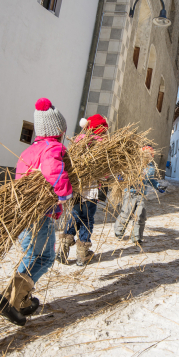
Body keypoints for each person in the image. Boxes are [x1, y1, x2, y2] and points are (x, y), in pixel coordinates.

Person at [0, 97, 72, 327]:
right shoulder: (52, 148)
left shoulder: (30, 151)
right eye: (63, 130)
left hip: (26, 213)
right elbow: (53, 172)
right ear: (58, 130)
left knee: (37, 256)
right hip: (39, 215)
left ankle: (21, 300)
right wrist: (64, 194)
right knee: (42, 258)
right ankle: (11, 300)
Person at [58, 114, 109, 266]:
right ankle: (82, 254)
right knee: (87, 220)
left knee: (74, 217)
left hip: (76, 189)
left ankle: (63, 250)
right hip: (91, 191)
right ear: (100, 129)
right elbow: (105, 172)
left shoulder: (79, 141)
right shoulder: (102, 146)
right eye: (104, 130)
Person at [114, 146, 165, 245]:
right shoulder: (133, 164)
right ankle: (119, 232)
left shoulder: (151, 168)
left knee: (140, 215)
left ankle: (136, 236)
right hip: (130, 192)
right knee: (126, 212)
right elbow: (124, 173)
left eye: (150, 154)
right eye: (146, 154)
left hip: (141, 194)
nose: (148, 156)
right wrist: (121, 177)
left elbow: (150, 180)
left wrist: (157, 186)